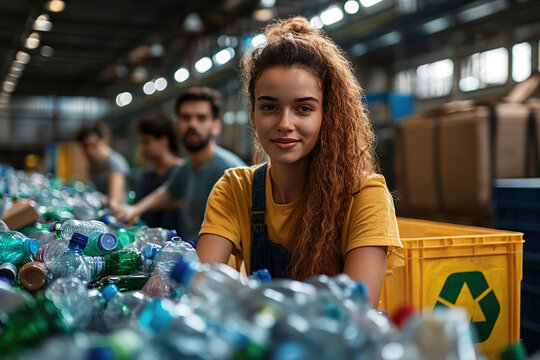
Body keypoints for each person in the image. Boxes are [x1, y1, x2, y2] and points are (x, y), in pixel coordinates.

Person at [196, 17, 403, 307]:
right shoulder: (234, 189)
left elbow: (354, 313)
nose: (284, 123)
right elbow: (199, 290)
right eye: (269, 107)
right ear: (253, 115)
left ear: (326, 114)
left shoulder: (365, 197)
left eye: (303, 108)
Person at [115, 87, 246, 243]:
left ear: (216, 126)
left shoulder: (231, 171)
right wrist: (134, 210)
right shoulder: (186, 168)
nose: (192, 124)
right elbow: (168, 194)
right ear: (177, 124)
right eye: (186, 117)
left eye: (201, 118)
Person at [133, 114, 183, 230]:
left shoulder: (181, 173)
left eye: (146, 142)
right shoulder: (147, 176)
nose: (142, 148)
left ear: (163, 141)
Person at [75, 121, 130, 208]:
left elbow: (114, 200)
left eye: (93, 145)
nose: (90, 151)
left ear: (104, 140)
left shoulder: (114, 163)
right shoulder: (93, 163)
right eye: (85, 146)